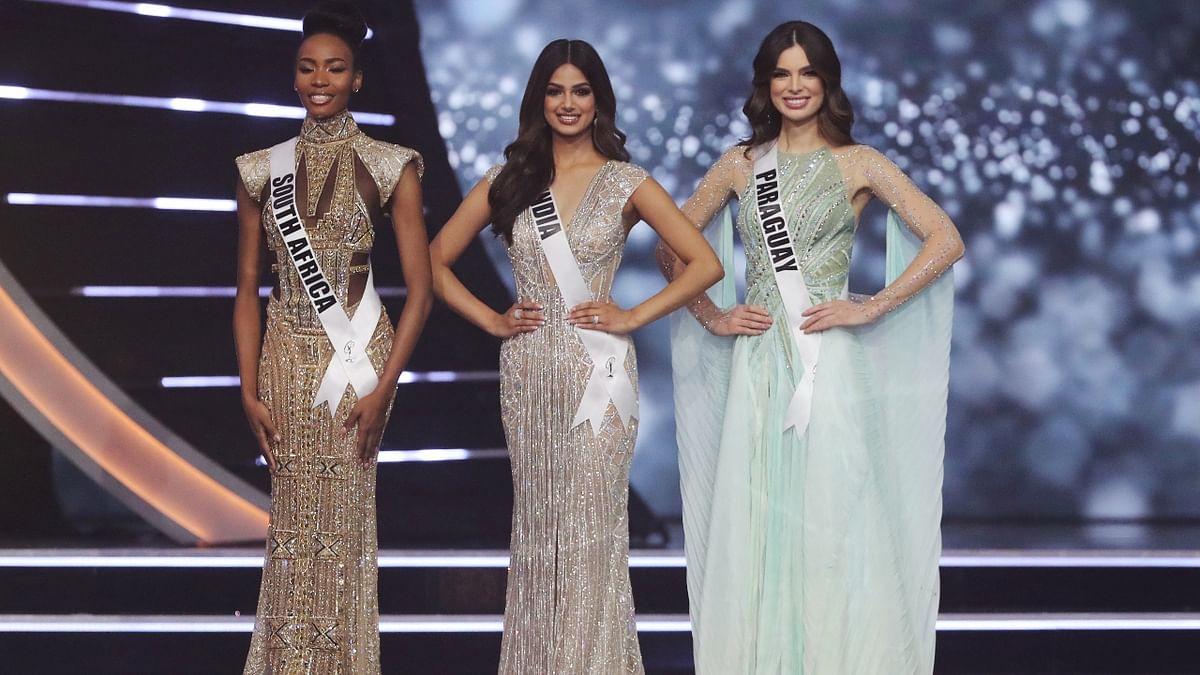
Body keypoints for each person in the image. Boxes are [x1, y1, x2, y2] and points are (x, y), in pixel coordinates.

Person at [658, 20, 964, 674]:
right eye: (782, 73)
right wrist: (711, 313)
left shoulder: (861, 163)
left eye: (807, 72)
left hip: (828, 363)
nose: (795, 86)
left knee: (835, 521)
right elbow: (671, 244)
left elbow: (944, 239)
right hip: (760, 363)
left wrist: (871, 304)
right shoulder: (740, 164)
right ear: (766, 84)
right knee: (760, 522)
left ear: (827, 81)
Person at [429, 38, 722, 674]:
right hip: (530, 370)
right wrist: (491, 319)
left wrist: (633, 315)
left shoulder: (626, 181)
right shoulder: (510, 180)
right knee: (540, 532)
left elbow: (705, 263)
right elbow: (434, 260)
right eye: (556, 90)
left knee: (591, 531)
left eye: (581, 91)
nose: (568, 103)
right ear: (540, 99)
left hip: (601, 373)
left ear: (599, 101)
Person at [232, 3, 432, 672]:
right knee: (291, 523)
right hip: (283, 357)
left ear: (358, 79)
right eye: (308, 67)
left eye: (335, 68)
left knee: (344, 523)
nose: (321, 78)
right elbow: (245, 289)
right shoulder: (261, 169)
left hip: (359, 359)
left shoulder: (390, 163)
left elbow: (421, 291)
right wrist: (246, 388)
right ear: (294, 77)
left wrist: (384, 392)